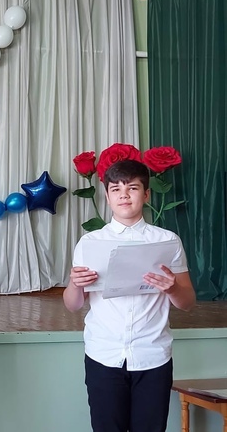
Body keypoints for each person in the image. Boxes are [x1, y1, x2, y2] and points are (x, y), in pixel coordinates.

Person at [63, 159, 196, 432]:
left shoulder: (167, 241)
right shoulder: (90, 243)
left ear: (146, 194)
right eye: (116, 189)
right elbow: (73, 305)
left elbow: (188, 302)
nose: (124, 195)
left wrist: (172, 288)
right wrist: (75, 285)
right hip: (103, 354)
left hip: (153, 355)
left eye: (132, 188)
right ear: (107, 196)